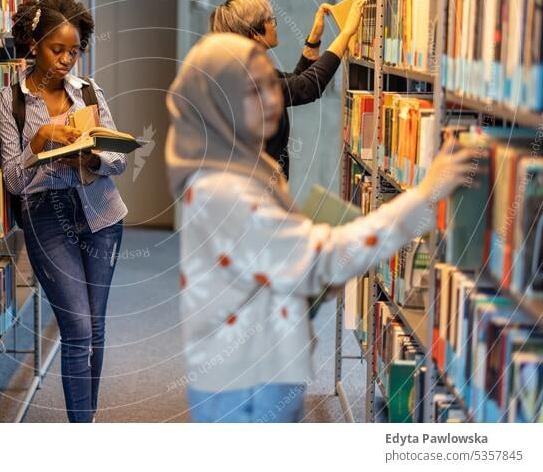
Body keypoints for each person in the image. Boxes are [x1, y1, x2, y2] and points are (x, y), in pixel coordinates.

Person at [165, 33, 477, 423]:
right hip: (247, 381)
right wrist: (424, 196)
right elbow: (320, 257)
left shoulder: (240, 165)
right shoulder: (224, 188)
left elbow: (274, 266)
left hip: (258, 368)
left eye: (271, 85)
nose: (273, 99)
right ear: (218, 101)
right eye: (253, 90)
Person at [0, 0, 127, 423]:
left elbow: (119, 158)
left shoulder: (89, 91)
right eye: (58, 50)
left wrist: (91, 157)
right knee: (77, 330)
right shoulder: (11, 102)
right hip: (46, 217)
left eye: (74, 51)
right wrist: (37, 146)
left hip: (101, 212)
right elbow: (14, 180)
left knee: (96, 327)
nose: (67, 59)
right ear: (34, 45)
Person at [209, 0, 365, 179]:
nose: (274, 26)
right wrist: (346, 33)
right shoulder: (248, 83)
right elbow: (308, 87)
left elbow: (296, 79)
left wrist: (314, 37)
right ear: (255, 34)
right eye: (269, 21)